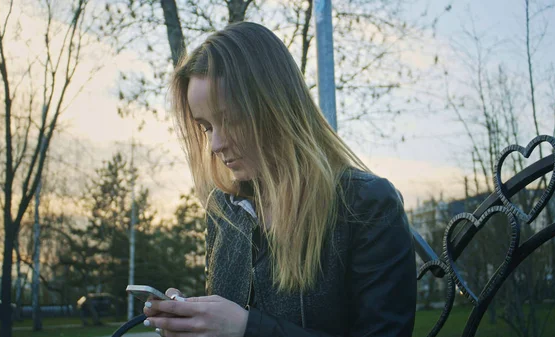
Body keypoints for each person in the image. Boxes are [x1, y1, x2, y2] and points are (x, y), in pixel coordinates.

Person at [142, 21, 417, 337]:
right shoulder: (224, 209)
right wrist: (193, 323)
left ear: (275, 107)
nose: (216, 145)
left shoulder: (367, 205)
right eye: (206, 127)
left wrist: (247, 329)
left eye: (229, 119)